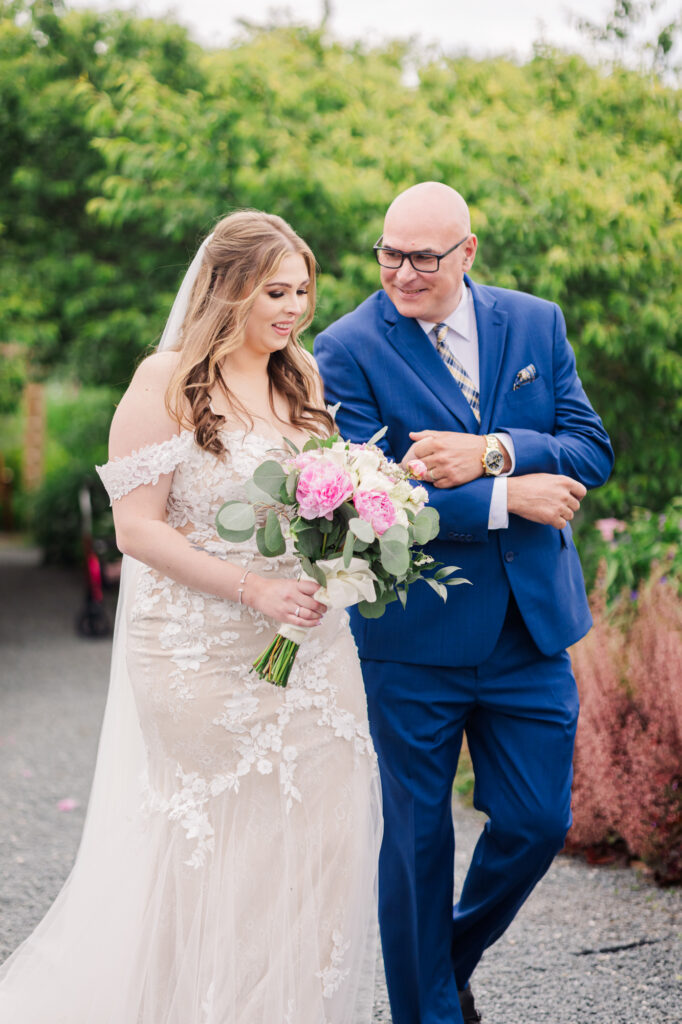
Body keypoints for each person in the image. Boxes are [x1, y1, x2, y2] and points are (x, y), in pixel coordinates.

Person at [0, 211, 382, 1024]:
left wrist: (356, 543)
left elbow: (328, 496)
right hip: (196, 646)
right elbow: (136, 529)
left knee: (330, 831)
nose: (294, 308)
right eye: (276, 291)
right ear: (230, 288)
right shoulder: (167, 380)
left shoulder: (301, 376)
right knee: (227, 849)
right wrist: (252, 589)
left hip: (306, 641)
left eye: (304, 290)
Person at [314, 182, 614, 1024]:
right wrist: (507, 496)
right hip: (412, 635)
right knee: (415, 845)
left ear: (467, 253)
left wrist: (493, 453)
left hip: (530, 628)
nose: (401, 274)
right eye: (388, 254)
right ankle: (429, 1011)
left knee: (538, 823)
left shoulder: (535, 323)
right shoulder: (346, 347)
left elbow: (591, 449)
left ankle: (439, 964)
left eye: (423, 258)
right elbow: (352, 497)